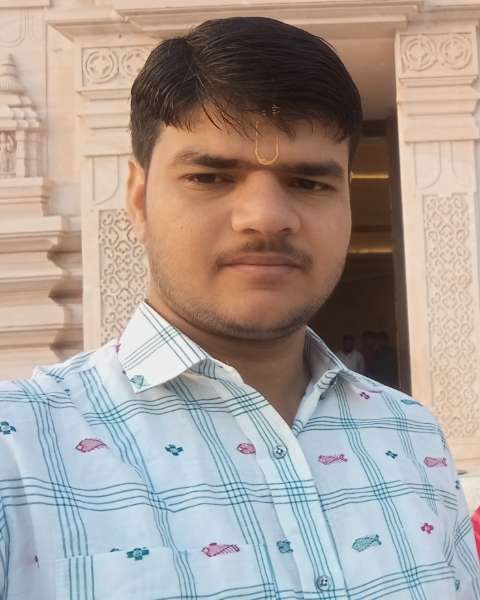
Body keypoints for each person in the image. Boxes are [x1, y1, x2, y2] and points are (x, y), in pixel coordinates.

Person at [0, 16, 478, 600]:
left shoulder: (411, 434)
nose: (267, 217)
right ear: (139, 199)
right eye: (210, 176)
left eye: (309, 183)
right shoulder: (20, 450)